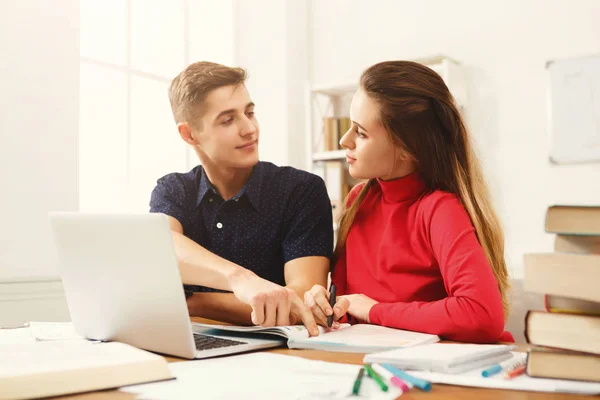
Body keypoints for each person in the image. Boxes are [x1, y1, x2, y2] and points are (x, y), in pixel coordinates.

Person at [304, 60, 513, 343]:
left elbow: (481, 314)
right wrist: (327, 305)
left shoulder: (439, 210)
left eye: (361, 132)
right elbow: (352, 307)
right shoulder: (358, 201)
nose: (344, 140)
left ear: (407, 149)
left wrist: (375, 310)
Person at [150, 61, 333, 335]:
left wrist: (194, 303)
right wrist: (241, 280)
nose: (249, 128)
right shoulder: (173, 189)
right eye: (228, 119)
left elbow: (298, 302)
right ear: (189, 134)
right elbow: (164, 248)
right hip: (189, 346)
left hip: (280, 356)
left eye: (250, 112)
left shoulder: (301, 190)